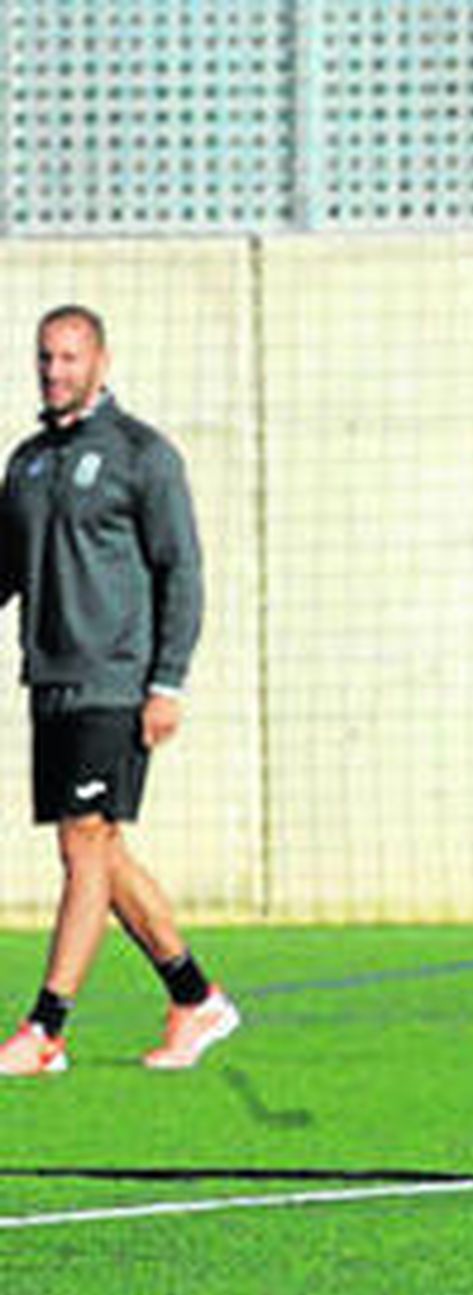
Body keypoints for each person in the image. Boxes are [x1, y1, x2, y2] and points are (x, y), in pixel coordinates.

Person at [0, 305, 238, 1077]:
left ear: (100, 361)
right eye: (45, 358)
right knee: (101, 847)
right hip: (51, 677)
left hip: (117, 680)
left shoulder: (143, 456)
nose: (55, 371)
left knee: (84, 840)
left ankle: (46, 1027)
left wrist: (167, 681)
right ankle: (195, 997)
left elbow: (184, 573)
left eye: (69, 357)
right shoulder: (28, 462)